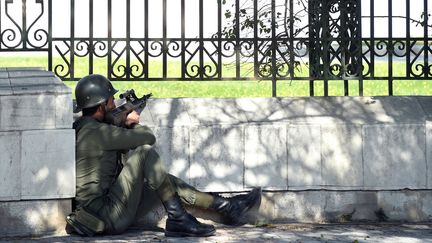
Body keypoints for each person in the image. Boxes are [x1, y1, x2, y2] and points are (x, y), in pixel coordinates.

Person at [66, 74, 261, 237]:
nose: (114, 103)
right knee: (144, 153)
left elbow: (111, 155)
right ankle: (178, 219)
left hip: (107, 209)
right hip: (107, 215)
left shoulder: (85, 129)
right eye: (111, 101)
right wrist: (133, 122)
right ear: (101, 106)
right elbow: (147, 138)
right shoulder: (99, 132)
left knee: (165, 183)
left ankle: (228, 207)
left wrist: (118, 123)